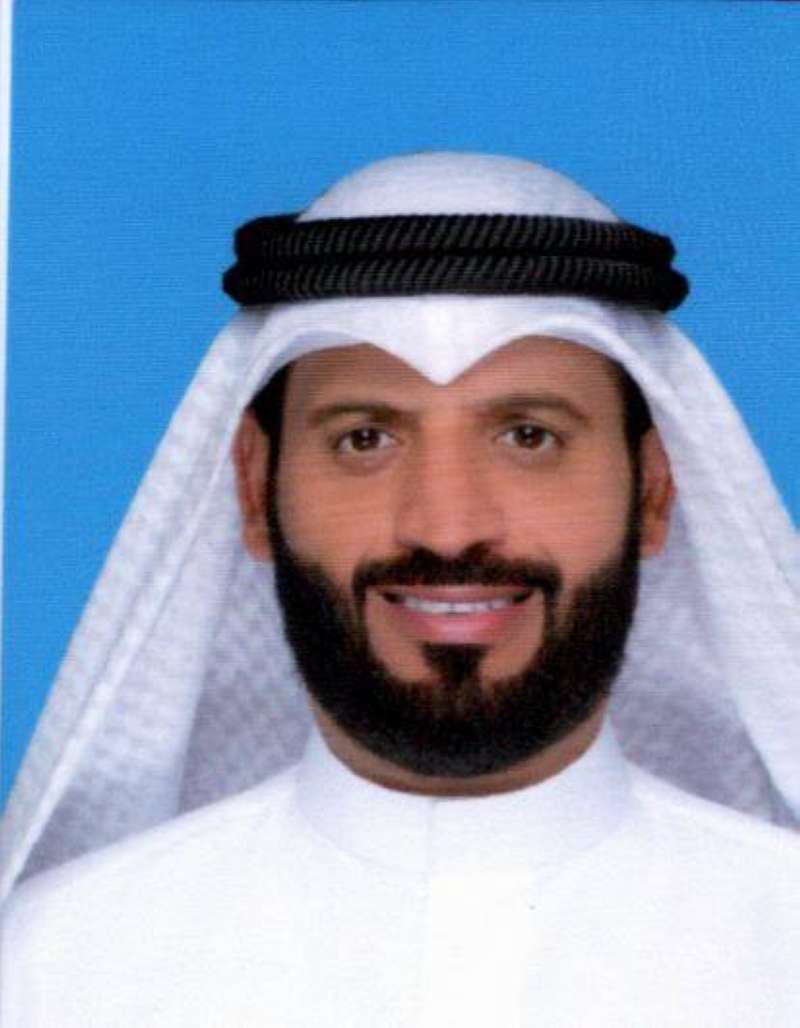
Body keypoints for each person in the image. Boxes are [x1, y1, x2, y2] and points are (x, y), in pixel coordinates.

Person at [2, 152, 798, 1026]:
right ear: (254, 489)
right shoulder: (58, 967)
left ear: (652, 493)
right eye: (365, 439)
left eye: (529, 436)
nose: (447, 526)